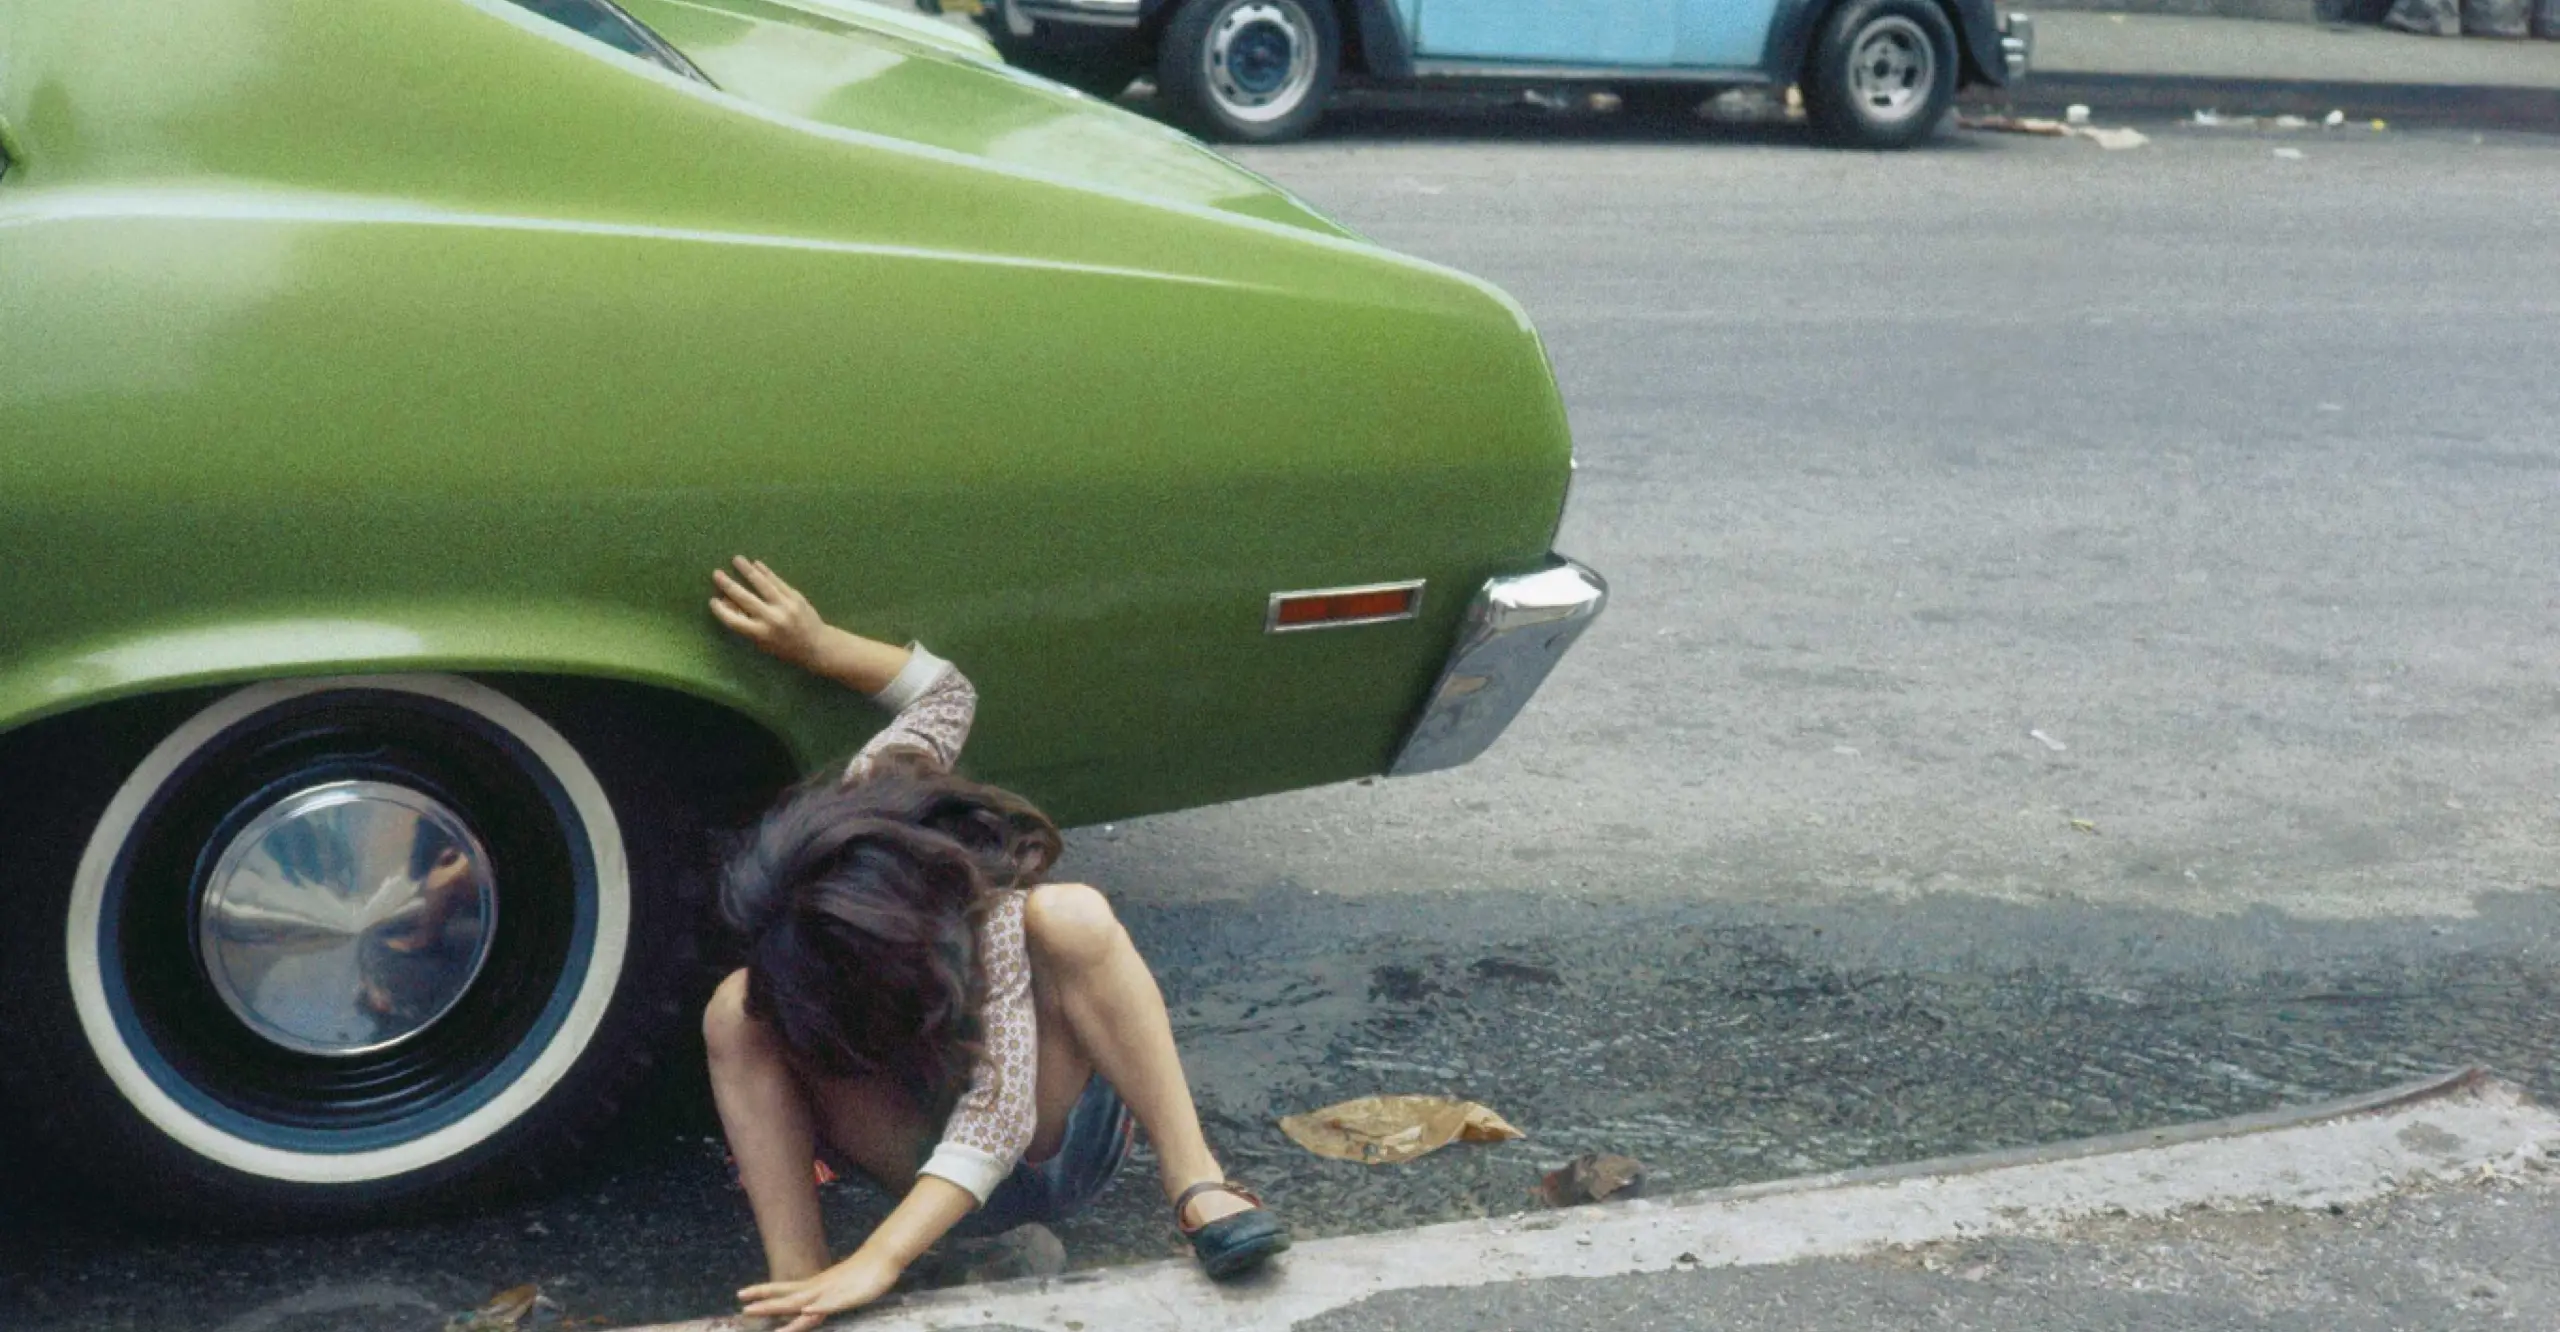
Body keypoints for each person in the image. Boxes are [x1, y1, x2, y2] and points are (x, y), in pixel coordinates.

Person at [700, 557, 1289, 1331]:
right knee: (736, 1006)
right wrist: (815, 647)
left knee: (1072, 916)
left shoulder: (995, 924)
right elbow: (945, 692)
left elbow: (999, 1117)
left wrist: (882, 1259)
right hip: (905, 1147)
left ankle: (1197, 1181)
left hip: (1043, 1153)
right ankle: (799, 1279)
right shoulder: (875, 792)